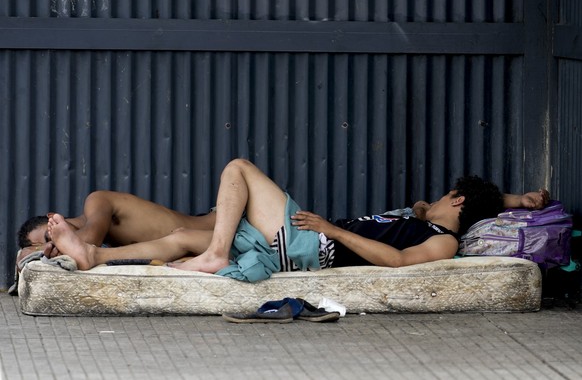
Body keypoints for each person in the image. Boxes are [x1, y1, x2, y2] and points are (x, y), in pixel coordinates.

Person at [44, 159, 550, 282]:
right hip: (307, 238)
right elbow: (466, 202)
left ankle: (217, 255)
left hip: (313, 246)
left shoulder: (441, 243)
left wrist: (332, 230)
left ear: (457, 203)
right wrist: (517, 200)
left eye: (446, 197)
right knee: (179, 236)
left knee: (238, 168)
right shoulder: (419, 217)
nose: (432, 201)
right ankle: (94, 256)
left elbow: (396, 259)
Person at [16, 191, 216, 268]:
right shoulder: (109, 246)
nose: (53, 246)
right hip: (200, 245)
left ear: (54, 218)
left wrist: (38, 251)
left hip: (220, 224)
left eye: (49, 236)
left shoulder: (96, 202)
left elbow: (90, 238)